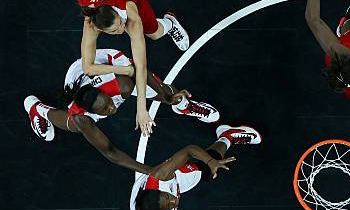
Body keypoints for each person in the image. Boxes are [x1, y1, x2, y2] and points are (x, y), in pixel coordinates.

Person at [52, 0, 190, 136]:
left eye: (120, 23)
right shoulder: (91, 22)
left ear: (117, 13)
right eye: (116, 31)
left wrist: (141, 108)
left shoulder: (130, 17)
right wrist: (122, 70)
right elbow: (88, 68)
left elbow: (141, 66)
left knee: (153, 33)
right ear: (102, 30)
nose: (122, 29)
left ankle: (170, 21)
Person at [24, 49, 219, 172]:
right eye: (105, 110)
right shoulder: (82, 116)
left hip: (111, 66)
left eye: (109, 103)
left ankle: (184, 106)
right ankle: (37, 109)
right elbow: (110, 151)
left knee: (159, 91)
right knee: (77, 126)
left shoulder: (120, 84)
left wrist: (167, 98)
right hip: (78, 85)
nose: (112, 108)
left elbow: (142, 71)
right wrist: (148, 170)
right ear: (93, 112)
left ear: (106, 93)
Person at [125, 125, 262, 210]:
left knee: (206, 170)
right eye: (169, 206)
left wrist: (211, 161)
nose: (175, 200)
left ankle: (227, 136)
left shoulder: (160, 177)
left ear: (160, 190)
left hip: (173, 181)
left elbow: (190, 150)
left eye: (168, 197)